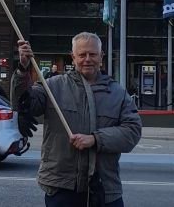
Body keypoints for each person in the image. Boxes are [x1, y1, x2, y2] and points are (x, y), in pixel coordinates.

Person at [16, 32, 142, 207]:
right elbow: (25, 102)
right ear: (73, 57)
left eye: (93, 54)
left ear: (101, 57)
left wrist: (95, 139)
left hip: (105, 189)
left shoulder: (117, 93)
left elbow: (132, 131)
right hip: (62, 187)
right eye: (82, 55)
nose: (87, 59)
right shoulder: (52, 86)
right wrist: (23, 69)